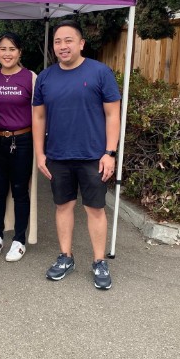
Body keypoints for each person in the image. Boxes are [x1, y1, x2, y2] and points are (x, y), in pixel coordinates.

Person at [32, 20, 120, 290]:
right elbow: (38, 117)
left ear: (81, 43)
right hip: (58, 155)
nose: (62, 46)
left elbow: (113, 114)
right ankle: (65, 257)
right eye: (58, 41)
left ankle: (99, 261)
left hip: (94, 156)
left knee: (95, 209)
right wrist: (40, 154)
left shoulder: (100, 72)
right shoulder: (45, 77)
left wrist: (110, 152)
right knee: (63, 206)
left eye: (68, 40)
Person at [0, 32, 37, 262]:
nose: (7, 54)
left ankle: (19, 239)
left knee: (20, 190)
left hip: (22, 141)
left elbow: (39, 114)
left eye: (12, 49)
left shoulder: (30, 78)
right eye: (3, 49)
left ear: (20, 52)